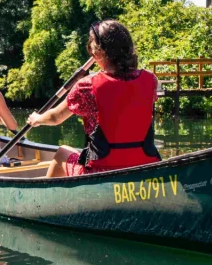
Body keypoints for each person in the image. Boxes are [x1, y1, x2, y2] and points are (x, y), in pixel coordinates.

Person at [26, 20, 160, 177]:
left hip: (101, 170)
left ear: (97, 52)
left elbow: (55, 117)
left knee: (63, 153)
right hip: (146, 167)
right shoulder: (150, 80)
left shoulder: (87, 86)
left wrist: (38, 118)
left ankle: (49, 198)